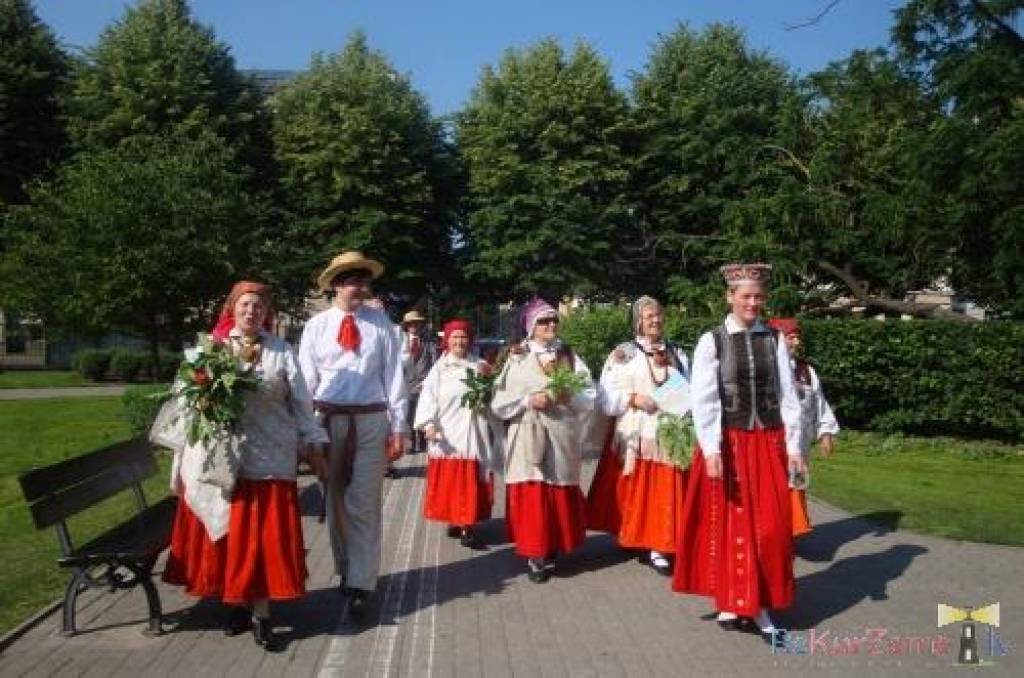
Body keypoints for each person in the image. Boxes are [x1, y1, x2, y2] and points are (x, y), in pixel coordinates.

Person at [162, 281, 329, 651]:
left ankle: (262, 614)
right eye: (245, 304)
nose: (251, 311)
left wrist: (314, 444)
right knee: (234, 537)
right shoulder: (208, 352)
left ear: (267, 312)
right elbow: (184, 399)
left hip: (271, 457)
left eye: (258, 306)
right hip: (228, 462)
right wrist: (202, 402)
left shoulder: (282, 352)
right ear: (232, 309)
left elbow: (302, 405)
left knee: (263, 542)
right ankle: (235, 603)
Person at [671, 263, 804, 640]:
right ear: (730, 297)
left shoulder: (774, 339)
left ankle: (757, 602)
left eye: (758, 296)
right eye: (745, 296)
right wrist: (710, 448)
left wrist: (794, 447)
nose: (752, 303)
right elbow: (705, 398)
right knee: (731, 526)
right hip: (728, 443)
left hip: (768, 442)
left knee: (772, 529)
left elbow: (787, 396)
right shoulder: (711, 341)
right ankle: (738, 603)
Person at [298, 251, 407, 617]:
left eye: (364, 279)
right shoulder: (316, 327)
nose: (360, 286)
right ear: (335, 286)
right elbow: (305, 383)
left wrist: (400, 426)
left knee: (364, 500)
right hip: (329, 419)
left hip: (371, 418)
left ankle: (361, 581)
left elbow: (394, 377)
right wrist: (307, 432)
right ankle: (347, 570)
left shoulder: (381, 324)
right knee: (336, 500)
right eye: (352, 279)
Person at [491, 298, 597, 582]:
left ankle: (552, 545)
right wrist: (527, 399)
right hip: (527, 434)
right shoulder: (517, 356)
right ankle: (535, 553)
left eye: (553, 320)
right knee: (533, 491)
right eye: (543, 321)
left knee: (558, 489)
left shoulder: (569, 356)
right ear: (531, 327)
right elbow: (499, 402)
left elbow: (589, 394)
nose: (551, 325)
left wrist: (569, 396)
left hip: (561, 434)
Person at [586, 295, 690, 576]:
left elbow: (689, 390)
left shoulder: (677, 352)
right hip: (633, 433)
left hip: (667, 432)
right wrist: (633, 398)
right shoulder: (623, 353)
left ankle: (659, 546)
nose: (655, 320)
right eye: (648, 317)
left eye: (658, 315)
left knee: (662, 491)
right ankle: (634, 538)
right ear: (638, 323)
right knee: (634, 493)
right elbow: (605, 396)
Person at [414, 319, 500, 548]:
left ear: (470, 340)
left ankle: (467, 526)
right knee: (452, 480)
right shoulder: (440, 368)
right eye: (455, 337)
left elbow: (495, 395)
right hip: (448, 432)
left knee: (471, 476)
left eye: (463, 337)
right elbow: (428, 397)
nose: (459, 341)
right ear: (447, 341)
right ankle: (455, 518)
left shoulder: (480, 366)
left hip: (474, 430)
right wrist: (428, 425)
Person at [767, 317, 839, 537]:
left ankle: (795, 528)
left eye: (797, 337)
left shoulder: (806, 371)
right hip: (775, 442)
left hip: (801, 444)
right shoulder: (767, 370)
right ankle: (779, 531)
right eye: (790, 338)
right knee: (775, 489)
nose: (796, 342)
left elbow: (819, 401)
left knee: (797, 484)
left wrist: (826, 432)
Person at [401, 309, 438, 455]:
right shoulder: (400, 342)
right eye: (411, 324)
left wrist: (427, 381)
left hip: (424, 384)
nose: (414, 327)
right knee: (408, 415)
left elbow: (435, 364)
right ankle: (410, 443)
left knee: (423, 412)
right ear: (407, 326)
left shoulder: (429, 343)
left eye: (417, 324)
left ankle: (422, 442)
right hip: (405, 384)